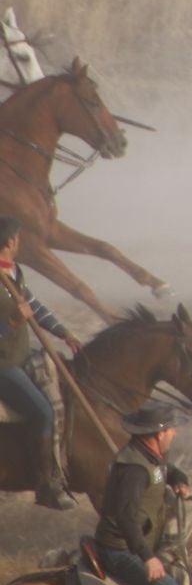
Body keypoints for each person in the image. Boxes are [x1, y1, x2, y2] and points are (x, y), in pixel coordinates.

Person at [0, 215, 83, 509]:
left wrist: (63, 332)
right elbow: (16, 318)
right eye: (18, 237)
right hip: (3, 365)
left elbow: (34, 306)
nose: (19, 242)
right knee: (43, 413)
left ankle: (61, 469)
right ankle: (45, 485)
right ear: (11, 241)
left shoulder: (13, 272)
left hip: (21, 355)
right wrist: (11, 322)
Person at [93, 403, 192, 585]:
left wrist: (179, 480)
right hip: (120, 550)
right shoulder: (134, 470)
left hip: (139, 543)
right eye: (171, 429)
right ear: (159, 433)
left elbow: (167, 470)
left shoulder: (151, 455)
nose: (175, 432)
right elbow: (126, 518)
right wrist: (148, 557)